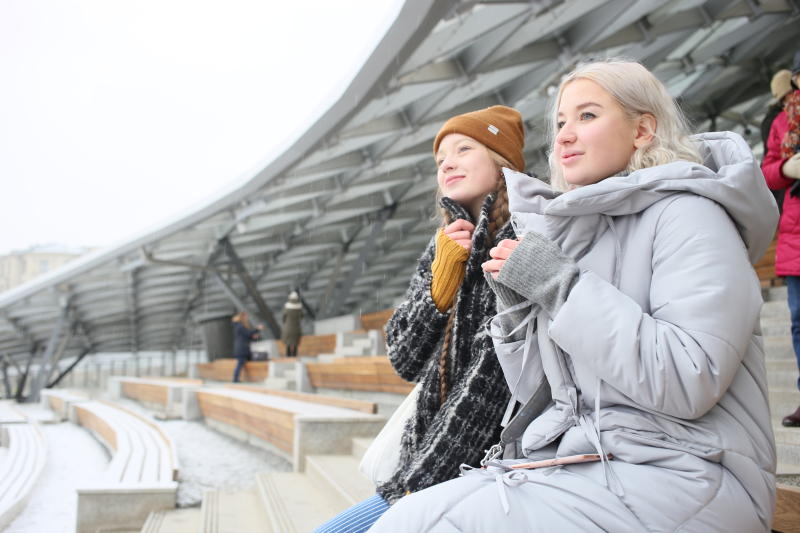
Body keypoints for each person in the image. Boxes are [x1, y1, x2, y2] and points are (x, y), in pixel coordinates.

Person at [370, 59, 778, 532]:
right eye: (561, 121)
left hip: (689, 471)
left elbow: (688, 378)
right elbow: (544, 395)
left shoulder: (692, 216)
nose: (563, 135)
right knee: (413, 520)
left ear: (643, 129)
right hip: (587, 463)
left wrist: (559, 288)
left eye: (587, 116)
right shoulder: (575, 234)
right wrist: (518, 314)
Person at [313, 106, 525, 532]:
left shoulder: (518, 239)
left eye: (464, 148)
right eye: (440, 158)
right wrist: (439, 286)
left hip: (475, 468)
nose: (447, 162)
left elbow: (489, 382)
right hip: (423, 462)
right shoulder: (444, 246)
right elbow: (403, 357)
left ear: (502, 161)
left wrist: (419, 486)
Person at [762, 51, 800, 427]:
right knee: (799, 321)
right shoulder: (783, 122)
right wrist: (787, 167)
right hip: (794, 233)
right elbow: (768, 172)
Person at [231, 311, 262, 382]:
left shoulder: (239, 326)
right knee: (240, 363)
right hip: (242, 348)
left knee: (243, 362)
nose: (247, 318)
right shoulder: (240, 326)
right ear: (242, 317)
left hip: (242, 347)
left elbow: (246, 336)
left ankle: (236, 379)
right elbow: (248, 334)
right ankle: (235, 379)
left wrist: (253, 337)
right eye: (246, 316)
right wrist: (257, 329)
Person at [281, 291, 303, 357]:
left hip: (288, 328)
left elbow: (283, 317)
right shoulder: (299, 306)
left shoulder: (287, 306)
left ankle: (288, 355)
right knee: (295, 342)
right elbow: (302, 316)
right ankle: (294, 355)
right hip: (296, 328)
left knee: (288, 343)